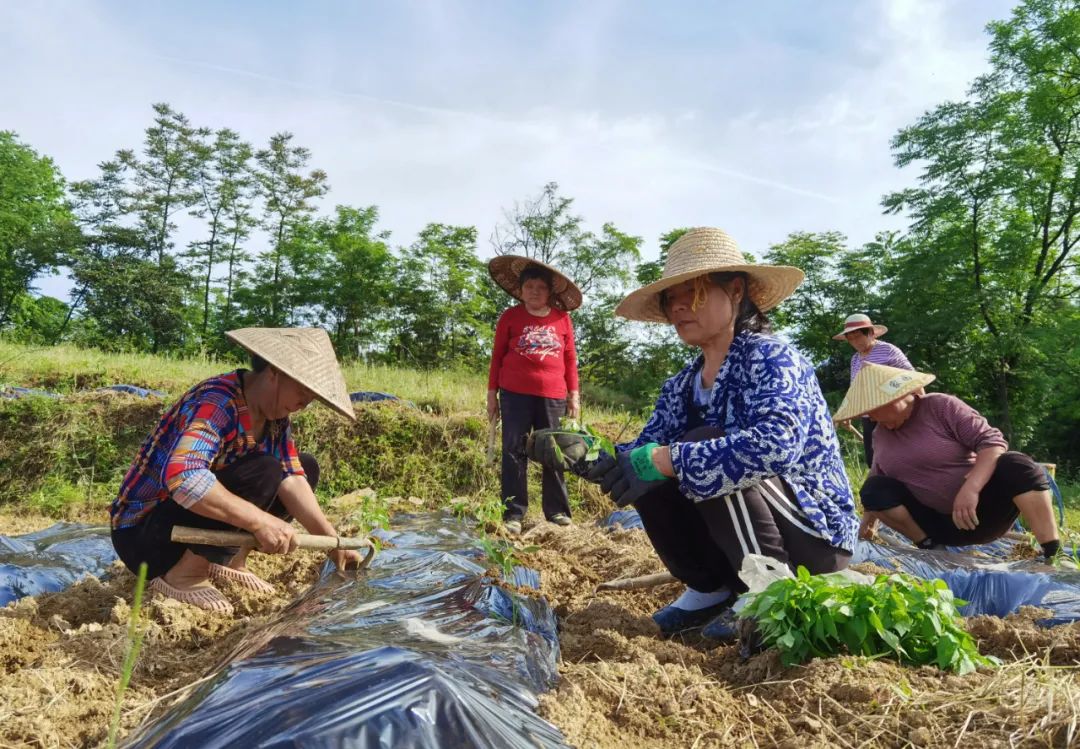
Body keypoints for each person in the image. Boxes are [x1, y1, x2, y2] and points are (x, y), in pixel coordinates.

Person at [527, 228, 859, 640]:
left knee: (692, 447)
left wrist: (668, 459)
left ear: (735, 291)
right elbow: (645, 451)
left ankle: (771, 591)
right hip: (738, 537)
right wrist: (600, 459)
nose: (679, 306)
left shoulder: (772, 358)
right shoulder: (682, 384)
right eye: (671, 299)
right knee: (647, 466)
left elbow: (776, 445)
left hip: (811, 534)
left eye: (694, 292)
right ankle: (709, 589)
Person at [109, 327, 362, 615]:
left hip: (189, 528)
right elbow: (184, 476)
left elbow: (291, 476)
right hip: (144, 536)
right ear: (274, 372)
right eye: (303, 389)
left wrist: (333, 543)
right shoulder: (218, 402)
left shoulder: (275, 418)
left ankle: (229, 561)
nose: (306, 402)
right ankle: (185, 575)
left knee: (303, 466)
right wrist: (259, 522)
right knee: (263, 469)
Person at [833, 363, 1062, 560]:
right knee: (873, 489)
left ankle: (1051, 552)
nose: (871, 418)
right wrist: (867, 524)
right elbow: (877, 477)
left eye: (872, 411)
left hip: (982, 513)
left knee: (1017, 465)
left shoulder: (940, 407)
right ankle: (931, 547)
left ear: (896, 398)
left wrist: (971, 488)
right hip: (938, 524)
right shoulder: (881, 434)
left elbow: (992, 444)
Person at [487, 255, 582, 535]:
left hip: (553, 395)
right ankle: (513, 514)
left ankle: (557, 513)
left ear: (550, 291)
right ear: (521, 289)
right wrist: (492, 394)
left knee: (553, 451)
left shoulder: (562, 319)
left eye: (541, 287)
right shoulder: (510, 317)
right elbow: (496, 358)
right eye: (529, 286)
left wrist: (574, 395)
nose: (535, 291)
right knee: (514, 450)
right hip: (514, 393)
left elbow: (570, 359)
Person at [833, 313, 912, 466]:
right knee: (875, 461)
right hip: (869, 417)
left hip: (893, 414)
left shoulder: (888, 350)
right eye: (851, 338)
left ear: (870, 333)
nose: (855, 341)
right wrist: (847, 412)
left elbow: (911, 378)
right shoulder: (855, 359)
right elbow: (855, 388)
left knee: (899, 460)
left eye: (858, 336)